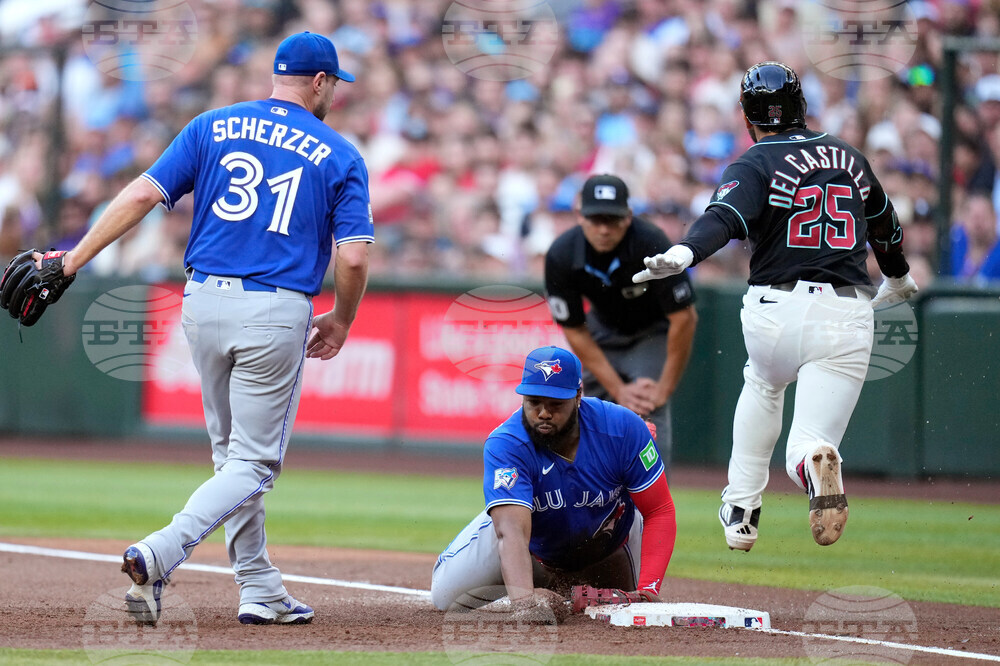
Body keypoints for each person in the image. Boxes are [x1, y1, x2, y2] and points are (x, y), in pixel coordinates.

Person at [60, 32, 373, 624]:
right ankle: (160, 552)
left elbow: (142, 194)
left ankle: (258, 587)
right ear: (320, 82)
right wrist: (342, 318)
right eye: (333, 83)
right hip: (273, 308)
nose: (334, 93)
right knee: (253, 466)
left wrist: (71, 261)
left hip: (202, 299)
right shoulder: (339, 153)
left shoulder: (212, 125)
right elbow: (353, 258)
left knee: (232, 459)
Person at [633, 62, 918, 552]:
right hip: (847, 313)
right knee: (810, 439)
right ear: (801, 106)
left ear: (747, 116)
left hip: (777, 307)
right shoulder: (849, 157)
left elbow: (723, 218)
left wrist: (685, 253)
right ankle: (811, 463)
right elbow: (886, 225)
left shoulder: (756, 161)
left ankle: (742, 509)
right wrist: (898, 275)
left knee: (763, 383)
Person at [430, 346, 677, 612]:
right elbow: (512, 532)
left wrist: (649, 590)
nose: (543, 413)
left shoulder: (622, 429)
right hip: (529, 544)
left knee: (633, 607)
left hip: (609, 542)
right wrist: (524, 602)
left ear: (578, 396)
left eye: (555, 403)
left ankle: (565, 581)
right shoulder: (508, 443)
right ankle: (504, 506)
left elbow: (659, 509)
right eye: (534, 402)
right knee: (446, 598)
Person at [543, 174, 697, 470]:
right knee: (589, 413)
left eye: (612, 219)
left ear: (628, 216)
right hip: (601, 331)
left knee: (646, 402)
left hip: (651, 332)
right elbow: (573, 329)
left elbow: (684, 317)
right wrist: (617, 388)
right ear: (579, 215)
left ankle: (653, 495)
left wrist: (665, 388)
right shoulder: (562, 254)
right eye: (595, 219)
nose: (603, 229)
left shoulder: (651, 241)